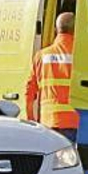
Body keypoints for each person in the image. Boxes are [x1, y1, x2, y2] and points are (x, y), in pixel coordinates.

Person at [25, 11, 78, 142]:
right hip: (75, 122)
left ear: (56, 30)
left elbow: (29, 92)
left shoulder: (42, 56)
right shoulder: (82, 56)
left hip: (48, 122)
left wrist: (31, 119)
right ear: (76, 29)